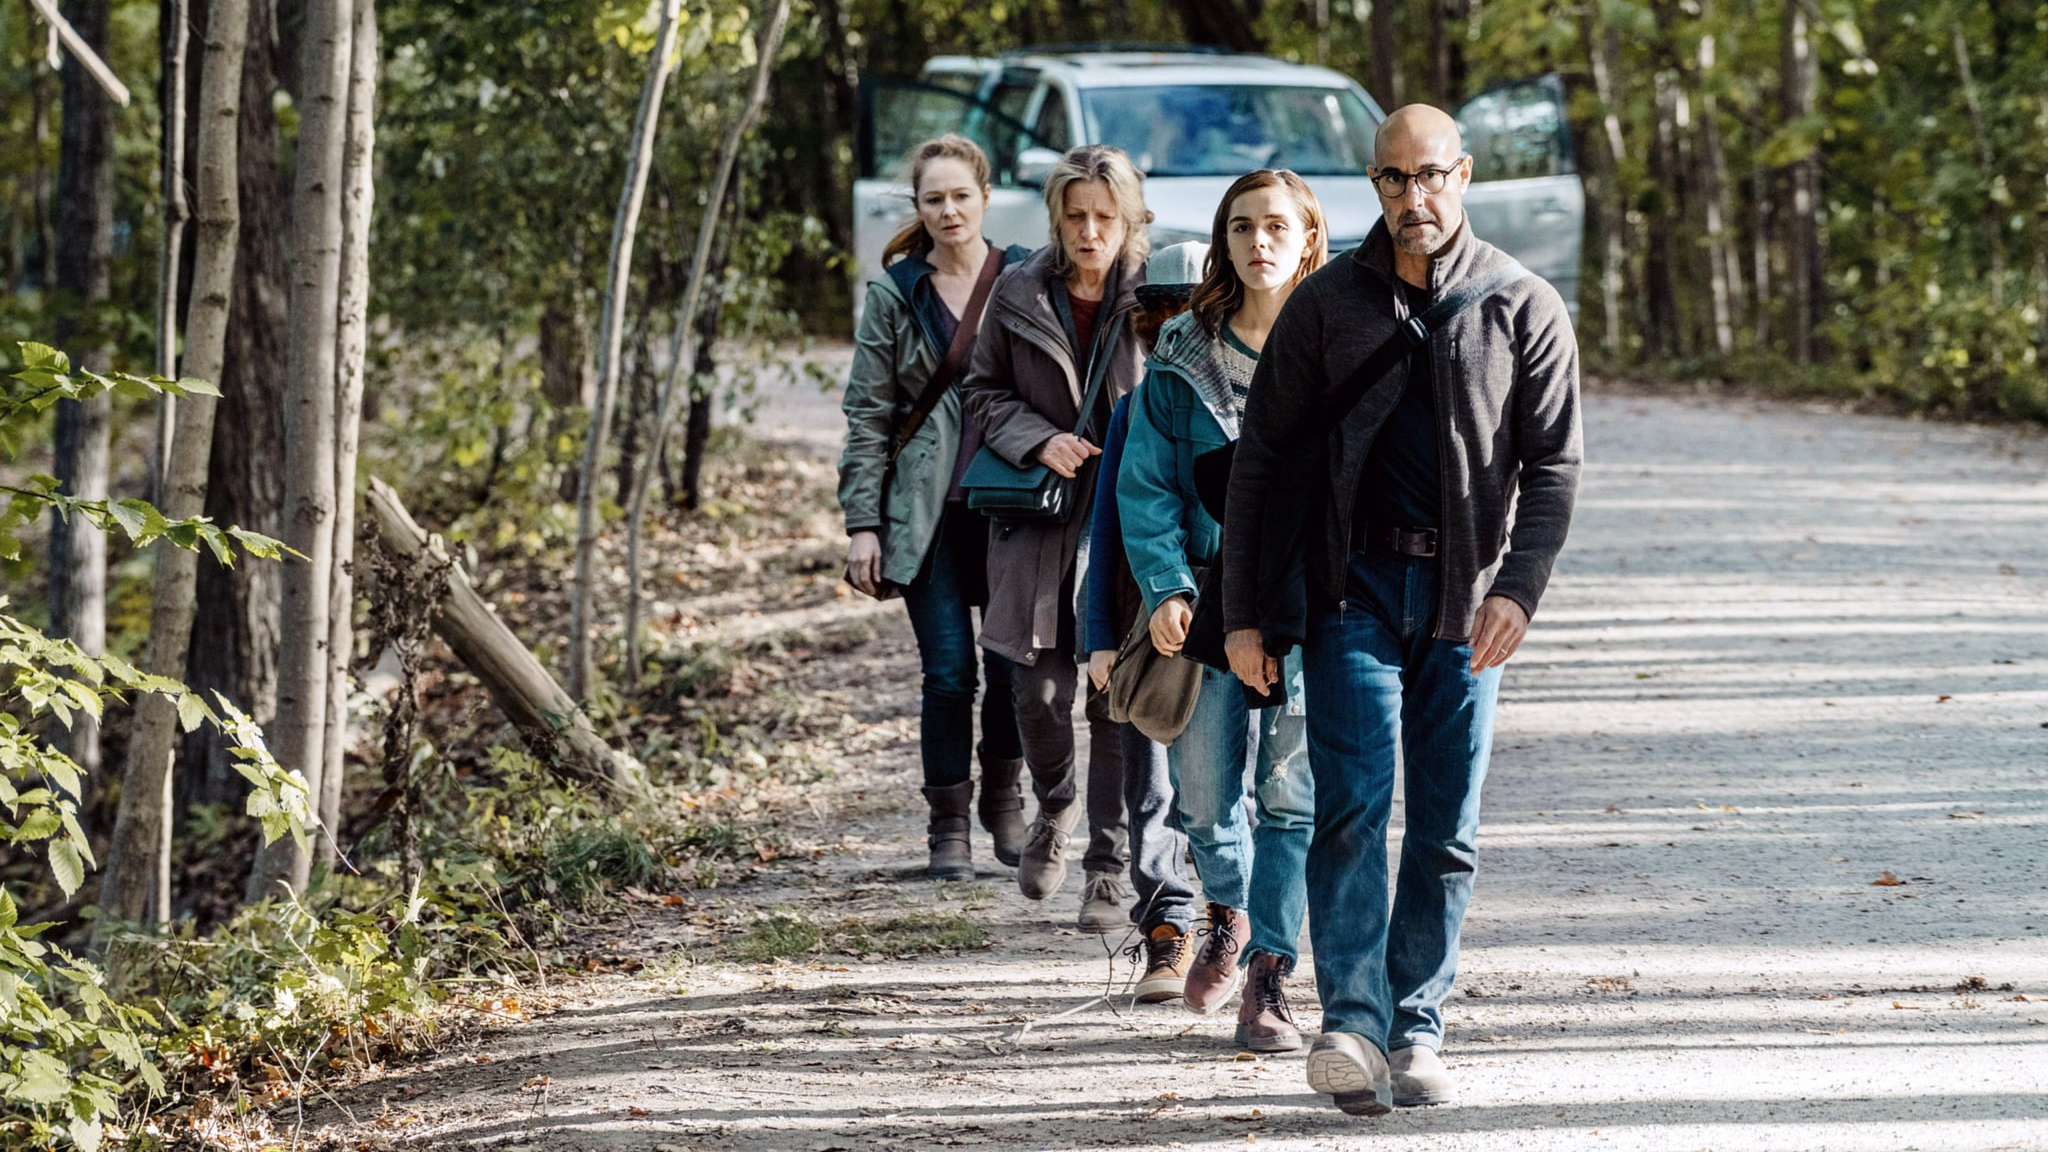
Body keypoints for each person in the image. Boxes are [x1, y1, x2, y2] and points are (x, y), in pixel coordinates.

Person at [1219, 106, 1582, 1114]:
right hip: (1351, 595)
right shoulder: (1325, 304)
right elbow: (1260, 464)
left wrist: (1518, 589)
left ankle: (1417, 1025)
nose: (1411, 196)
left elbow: (1554, 466)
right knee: (1348, 808)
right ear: (1372, 183)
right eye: (1392, 178)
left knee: (1445, 828)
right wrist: (1243, 614)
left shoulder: (1520, 303)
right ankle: (1352, 1026)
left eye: (1428, 175)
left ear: (1462, 175)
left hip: (1467, 606)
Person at [1117, 172, 1328, 1051]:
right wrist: (1165, 585)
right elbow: (1146, 487)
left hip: (1310, 601)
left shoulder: (1339, 339)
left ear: (1309, 237)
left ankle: (1270, 974)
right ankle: (1232, 909)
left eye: (1276, 226)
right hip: (1206, 601)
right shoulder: (1181, 353)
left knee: (1289, 794)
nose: (1258, 242)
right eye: (1241, 227)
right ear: (1222, 242)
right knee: (1203, 799)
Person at [961, 145, 1151, 924]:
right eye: (1075, 216)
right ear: (1056, 217)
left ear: (1129, 219)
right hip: (1039, 516)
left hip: (1128, 518)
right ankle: (1057, 804)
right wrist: (1039, 439)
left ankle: (1107, 866)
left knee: (1114, 697)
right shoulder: (1018, 290)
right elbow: (982, 391)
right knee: (1037, 692)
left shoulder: (1160, 294)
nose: (1089, 231)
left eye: (1104, 217)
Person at [838, 135, 1034, 880]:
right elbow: (868, 414)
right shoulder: (897, 293)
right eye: (933, 199)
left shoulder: (1024, 278)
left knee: (1012, 668)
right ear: (917, 208)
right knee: (949, 673)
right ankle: (947, 826)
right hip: (928, 515)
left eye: (960, 196)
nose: (949, 211)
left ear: (984, 196)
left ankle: (1004, 798)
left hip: (1015, 506)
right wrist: (863, 524)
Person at [1081, 241, 1208, 987]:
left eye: (1191, 315)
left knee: (1230, 787)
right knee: (1152, 784)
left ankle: (1234, 921)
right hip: (1145, 626)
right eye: (1162, 318)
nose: (1176, 332)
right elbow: (1105, 532)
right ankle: (1167, 923)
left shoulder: (1260, 399)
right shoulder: (1132, 411)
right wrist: (1098, 636)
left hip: (1234, 621)